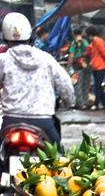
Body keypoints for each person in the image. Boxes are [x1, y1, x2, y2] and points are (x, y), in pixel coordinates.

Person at [0, 12, 74, 148]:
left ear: (5, 37)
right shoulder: (46, 58)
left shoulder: (3, 60)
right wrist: (69, 102)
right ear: (30, 36)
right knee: (58, 161)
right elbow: (65, 84)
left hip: (11, 121)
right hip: (43, 122)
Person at [85, 26, 105, 110]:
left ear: (90, 35)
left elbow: (104, 54)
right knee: (98, 86)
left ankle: (96, 104)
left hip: (100, 66)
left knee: (98, 86)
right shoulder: (94, 42)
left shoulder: (97, 41)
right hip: (96, 66)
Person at [67, 28, 90, 109]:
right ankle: (85, 102)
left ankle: (80, 103)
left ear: (74, 34)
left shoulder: (74, 43)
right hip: (86, 65)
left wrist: (69, 66)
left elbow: (71, 55)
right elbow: (89, 51)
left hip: (77, 66)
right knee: (86, 84)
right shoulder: (85, 42)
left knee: (77, 84)